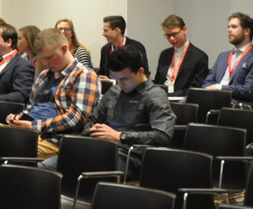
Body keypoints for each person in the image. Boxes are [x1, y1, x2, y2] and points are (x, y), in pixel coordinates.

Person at [0, 28, 99, 176]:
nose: (46, 62)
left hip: (55, 139)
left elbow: (76, 119)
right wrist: (18, 118)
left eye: (50, 57)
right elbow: (31, 107)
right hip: (31, 130)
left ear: (64, 49)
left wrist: (33, 126)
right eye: (43, 59)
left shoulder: (84, 75)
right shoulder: (45, 75)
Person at [64, 44, 175, 176]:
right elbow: (93, 120)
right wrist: (93, 130)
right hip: (102, 148)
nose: (120, 84)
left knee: (80, 168)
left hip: (132, 157)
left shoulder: (155, 95)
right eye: (116, 79)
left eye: (124, 79)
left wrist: (120, 136)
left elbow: (163, 136)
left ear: (140, 71)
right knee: (55, 164)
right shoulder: (115, 91)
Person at [202, 12, 253, 102]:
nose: (229, 30)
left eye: (234, 27)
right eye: (228, 27)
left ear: (246, 31)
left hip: (234, 103)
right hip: (212, 98)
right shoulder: (223, 56)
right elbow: (207, 81)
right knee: (185, 101)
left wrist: (219, 88)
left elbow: (249, 90)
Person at [153, 14, 210, 95]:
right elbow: (157, 82)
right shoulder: (164, 54)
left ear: (184, 30)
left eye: (175, 34)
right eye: (168, 36)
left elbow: (195, 88)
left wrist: (171, 96)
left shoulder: (199, 57)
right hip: (161, 98)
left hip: (181, 100)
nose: (172, 39)